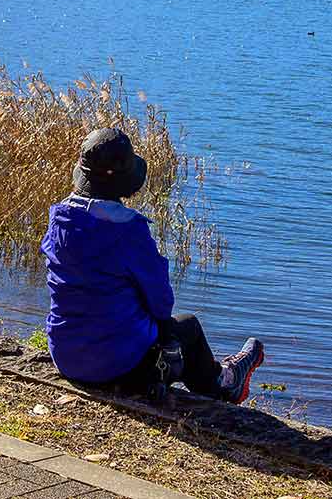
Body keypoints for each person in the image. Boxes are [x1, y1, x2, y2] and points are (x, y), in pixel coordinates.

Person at [41, 126, 265, 403]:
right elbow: (161, 302)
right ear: (122, 181)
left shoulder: (59, 219)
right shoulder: (128, 230)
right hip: (116, 367)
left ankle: (217, 376)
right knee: (188, 327)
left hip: (66, 354)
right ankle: (225, 382)